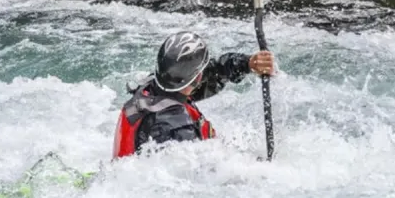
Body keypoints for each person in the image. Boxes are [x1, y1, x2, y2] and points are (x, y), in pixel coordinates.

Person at [112, 32, 276, 158]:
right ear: (197, 77)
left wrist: (248, 63)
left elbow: (215, 72)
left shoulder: (155, 86)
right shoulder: (176, 129)